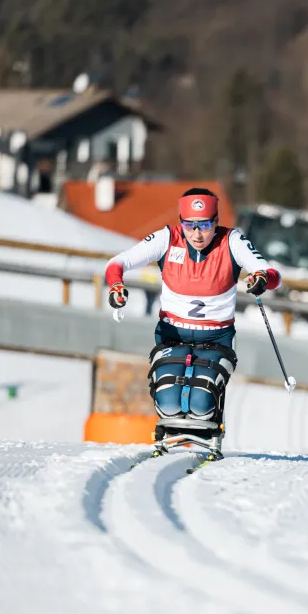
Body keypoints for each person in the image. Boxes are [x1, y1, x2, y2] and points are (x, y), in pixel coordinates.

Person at [105, 187, 282, 453]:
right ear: (181, 222)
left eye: (205, 225)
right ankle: (170, 436)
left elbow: (271, 273)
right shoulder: (167, 238)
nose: (197, 234)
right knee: (168, 404)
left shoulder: (231, 241)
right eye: (190, 225)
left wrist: (262, 279)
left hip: (215, 338)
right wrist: (116, 287)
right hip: (172, 334)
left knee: (201, 405)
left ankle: (208, 434)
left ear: (216, 222)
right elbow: (117, 263)